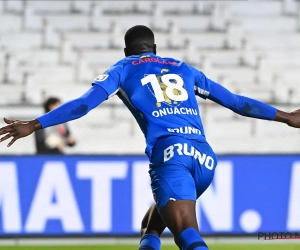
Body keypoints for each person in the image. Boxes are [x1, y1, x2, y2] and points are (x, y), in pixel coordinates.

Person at [0, 25, 300, 250]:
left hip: (171, 156)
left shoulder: (122, 69)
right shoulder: (183, 68)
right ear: (154, 47)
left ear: (126, 51)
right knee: (151, 227)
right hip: (204, 158)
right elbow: (236, 101)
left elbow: (82, 105)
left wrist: (35, 124)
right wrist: (287, 117)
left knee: (188, 237)